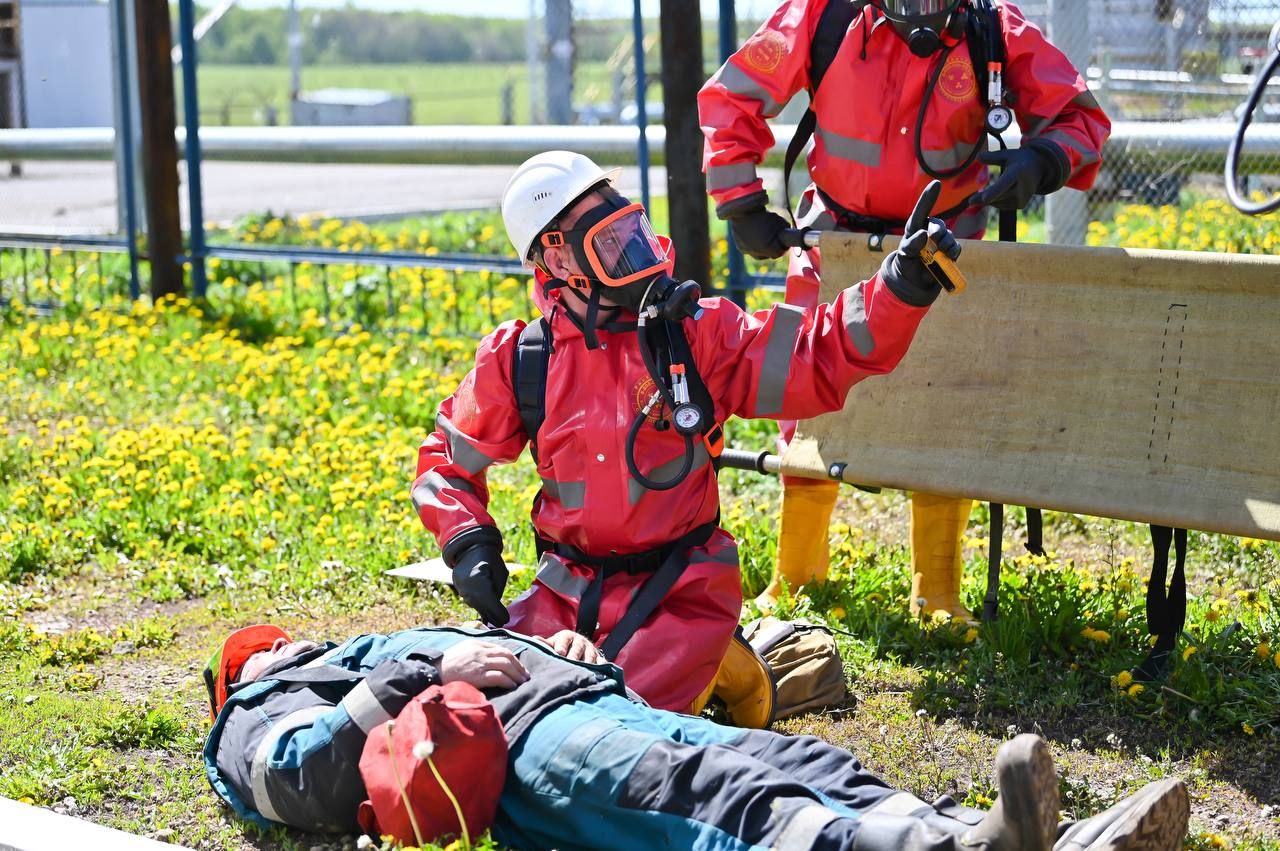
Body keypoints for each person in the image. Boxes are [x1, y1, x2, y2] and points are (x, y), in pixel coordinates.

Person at [411, 150, 960, 713]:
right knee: (493, 698)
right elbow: (445, 464)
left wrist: (899, 287)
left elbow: (814, 357)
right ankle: (726, 667)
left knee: (616, 718)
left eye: (633, 232)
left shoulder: (698, 335)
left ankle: (731, 665)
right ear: (556, 257)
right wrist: (468, 543)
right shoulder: (524, 358)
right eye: (612, 243)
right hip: (565, 595)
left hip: (681, 593)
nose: (637, 255)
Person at [698, 0, 1111, 617]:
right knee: (805, 399)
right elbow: (731, 97)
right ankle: (797, 576)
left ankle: (937, 592)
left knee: (943, 403)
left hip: (942, 248)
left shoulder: (993, 30)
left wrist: (1042, 159)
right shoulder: (821, 17)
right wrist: (739, 203)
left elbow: (1080, 119)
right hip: (832, 241)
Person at [204, 622, 1191, 851]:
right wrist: (430, 669)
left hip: (591, 707)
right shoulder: (256, 703)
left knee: (798, 759)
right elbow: (295, 776)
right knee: (716, 797)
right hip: (536, 752)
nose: (290, 638)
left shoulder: (351, 647)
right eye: (269, 643)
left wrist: (558, 649)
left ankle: (1014, 831)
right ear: (242, 665)